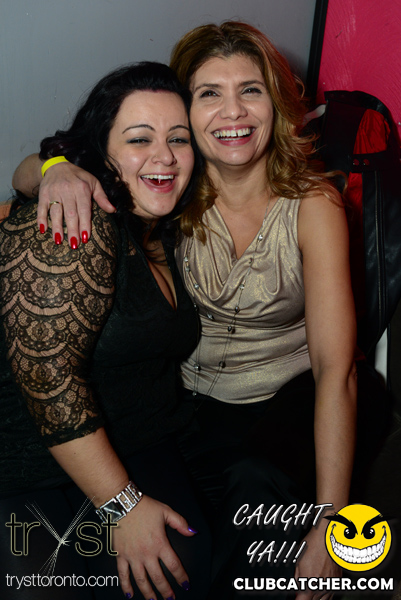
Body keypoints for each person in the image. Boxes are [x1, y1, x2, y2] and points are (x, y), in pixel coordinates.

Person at [13, 21, 387, 600]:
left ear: (277, 104)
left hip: (291, 401)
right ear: (187, 114)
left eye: (251, 90)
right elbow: (42, 171)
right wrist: (54, 169)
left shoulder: (313, 204)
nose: (233, 111)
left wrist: (333, 524)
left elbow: (336, 371)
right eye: (210, 93)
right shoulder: (171, 190)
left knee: (256, 521)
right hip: (188, 409)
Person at [1, 62, 212, 600]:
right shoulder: (80, 219)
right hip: (30, 469)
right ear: (99, 152)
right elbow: (47, 376)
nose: (165, 156)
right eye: (139, 139)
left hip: (139, 444)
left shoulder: (164, 230)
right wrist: (124, 505)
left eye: (179, 138)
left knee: (190, 574)